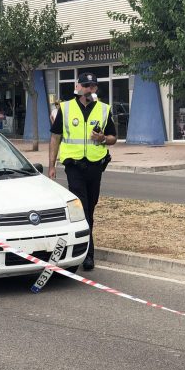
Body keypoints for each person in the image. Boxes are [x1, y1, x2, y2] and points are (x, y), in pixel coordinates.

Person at [48, 72, 117, 271]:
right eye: (86, 85)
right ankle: (88, 254)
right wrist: (51, 165)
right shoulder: (66, 108)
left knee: (91, 209)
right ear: (78, 87)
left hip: (95, 166)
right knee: (83, 209)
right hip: (74, 166)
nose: (89, 89)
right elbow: (55, 138)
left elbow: (114, 137)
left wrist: (103, 138)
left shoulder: (104, 109)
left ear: (96, 89)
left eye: (92, 86)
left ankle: (84, 248)